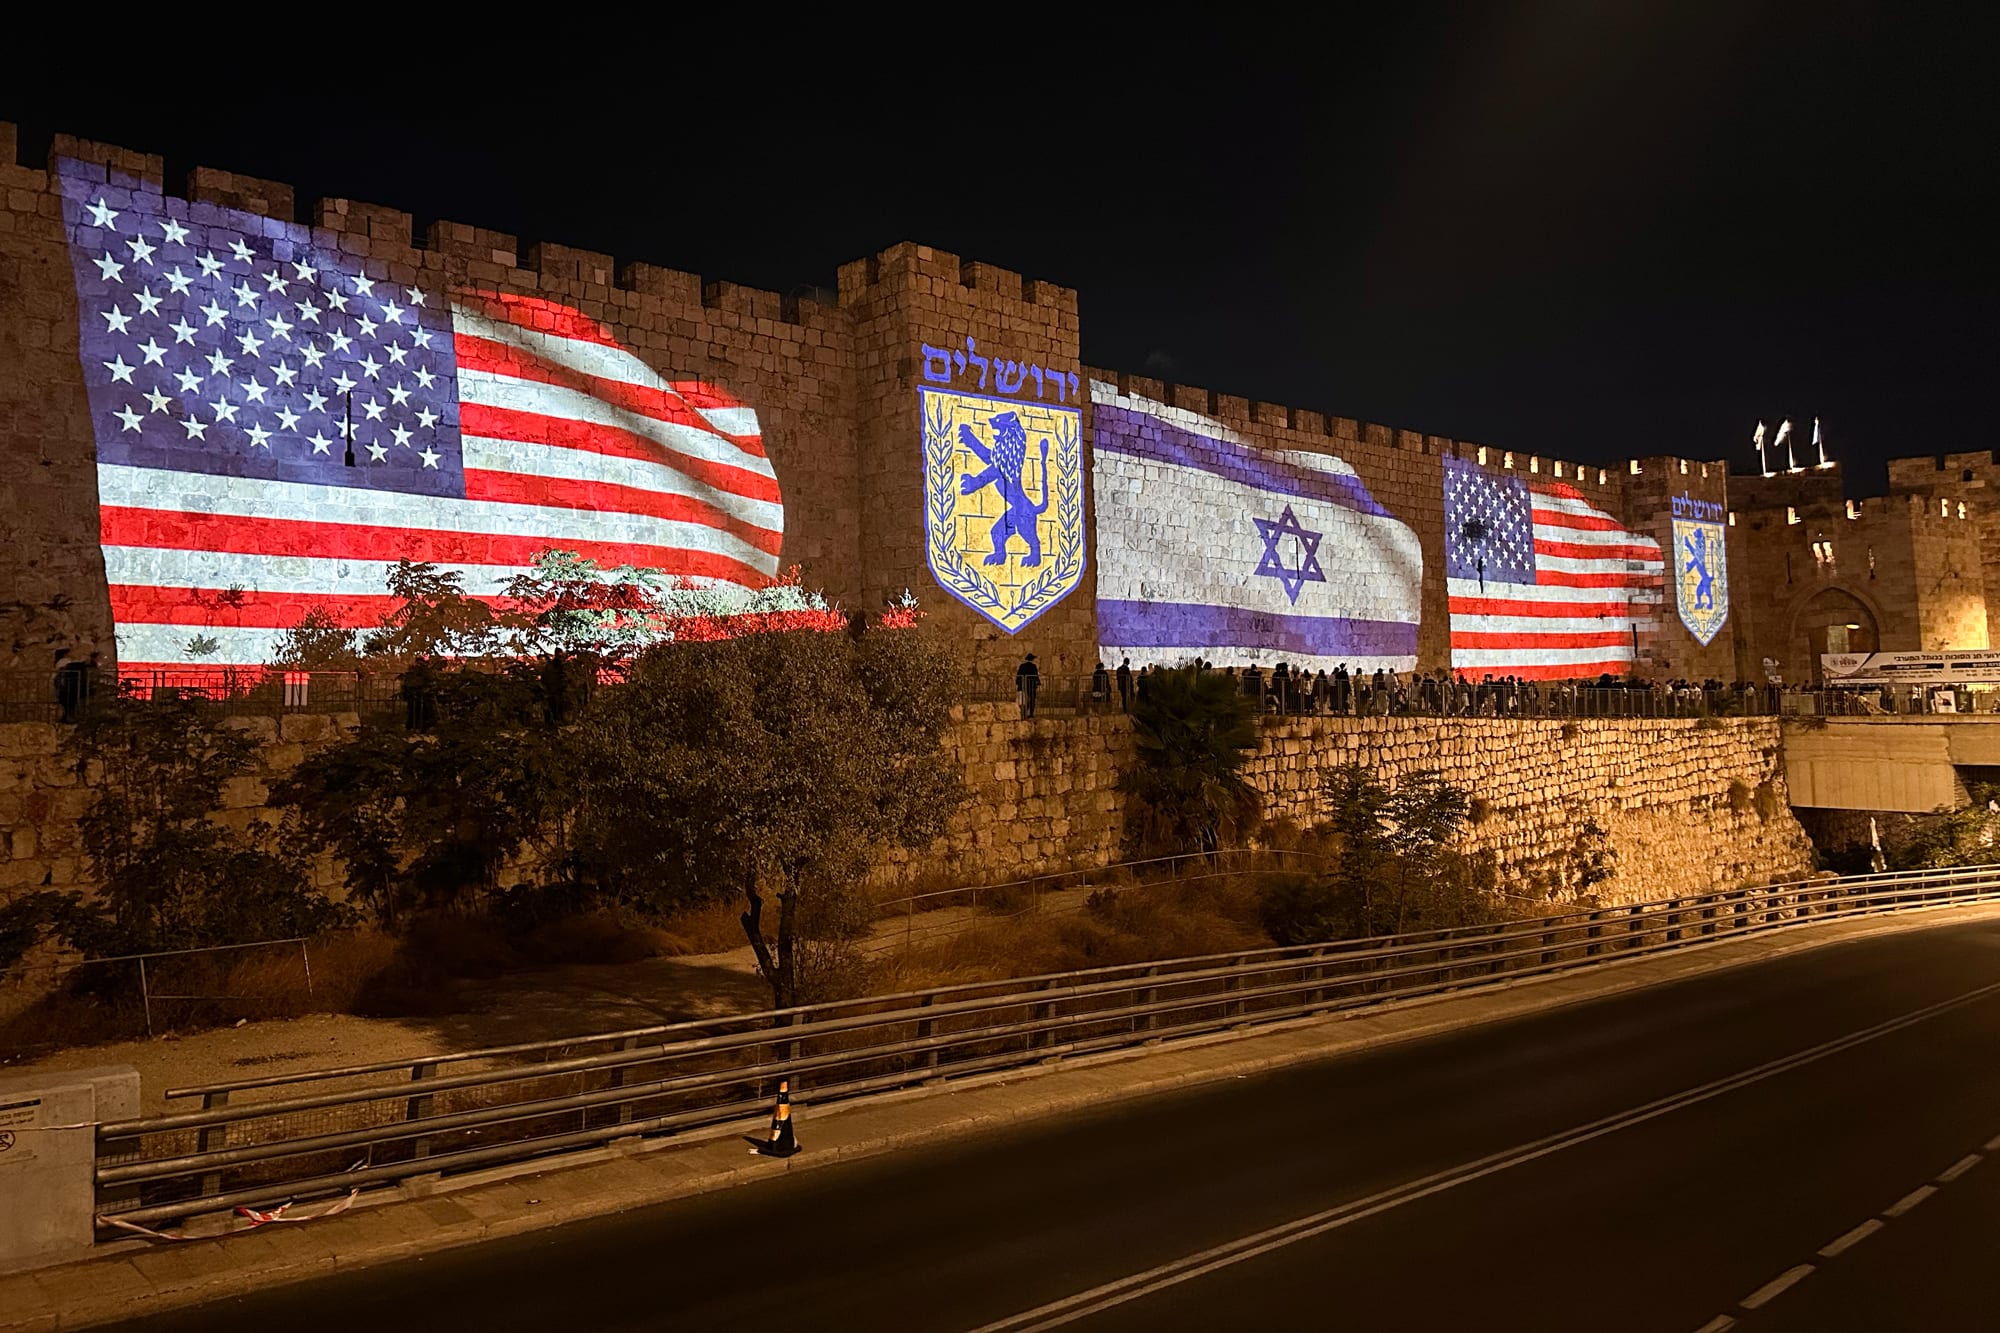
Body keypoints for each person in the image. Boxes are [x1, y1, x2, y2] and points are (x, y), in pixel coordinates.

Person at [54, 650, 99, 724]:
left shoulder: (73, 665)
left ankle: (70, 717)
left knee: (71, 703)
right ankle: (70, 717)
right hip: (71, 686)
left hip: (72, 687)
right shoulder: (69, 664)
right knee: (70, 703)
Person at [1016, 652, 1041, 718]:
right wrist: (1038, 682)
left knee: (1023, 700)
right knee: (1032, 699)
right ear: (1032, 659)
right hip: (1031, 685)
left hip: (1023, 685)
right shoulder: (1033, 666)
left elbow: (1019, 675)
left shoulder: (1022, 666)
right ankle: (1031, 713)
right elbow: (1036, 676)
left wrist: (1018, 683)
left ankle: (1023, 713)